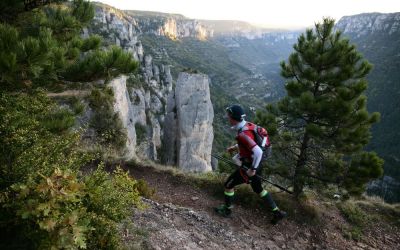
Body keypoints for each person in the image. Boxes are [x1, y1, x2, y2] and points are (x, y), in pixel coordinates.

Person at [215, 104, 287, 225]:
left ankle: (227, 210)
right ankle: (277, 212)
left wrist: (252, 170)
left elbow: (258, 152)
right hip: (258, 164)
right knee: (258, 189)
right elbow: (252, 144)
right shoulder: (248, 126)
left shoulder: (243, 134)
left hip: (249, 167)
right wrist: (235, 147)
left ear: (234, 118)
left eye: (229, 116)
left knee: (228, 185)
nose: (228, 118)